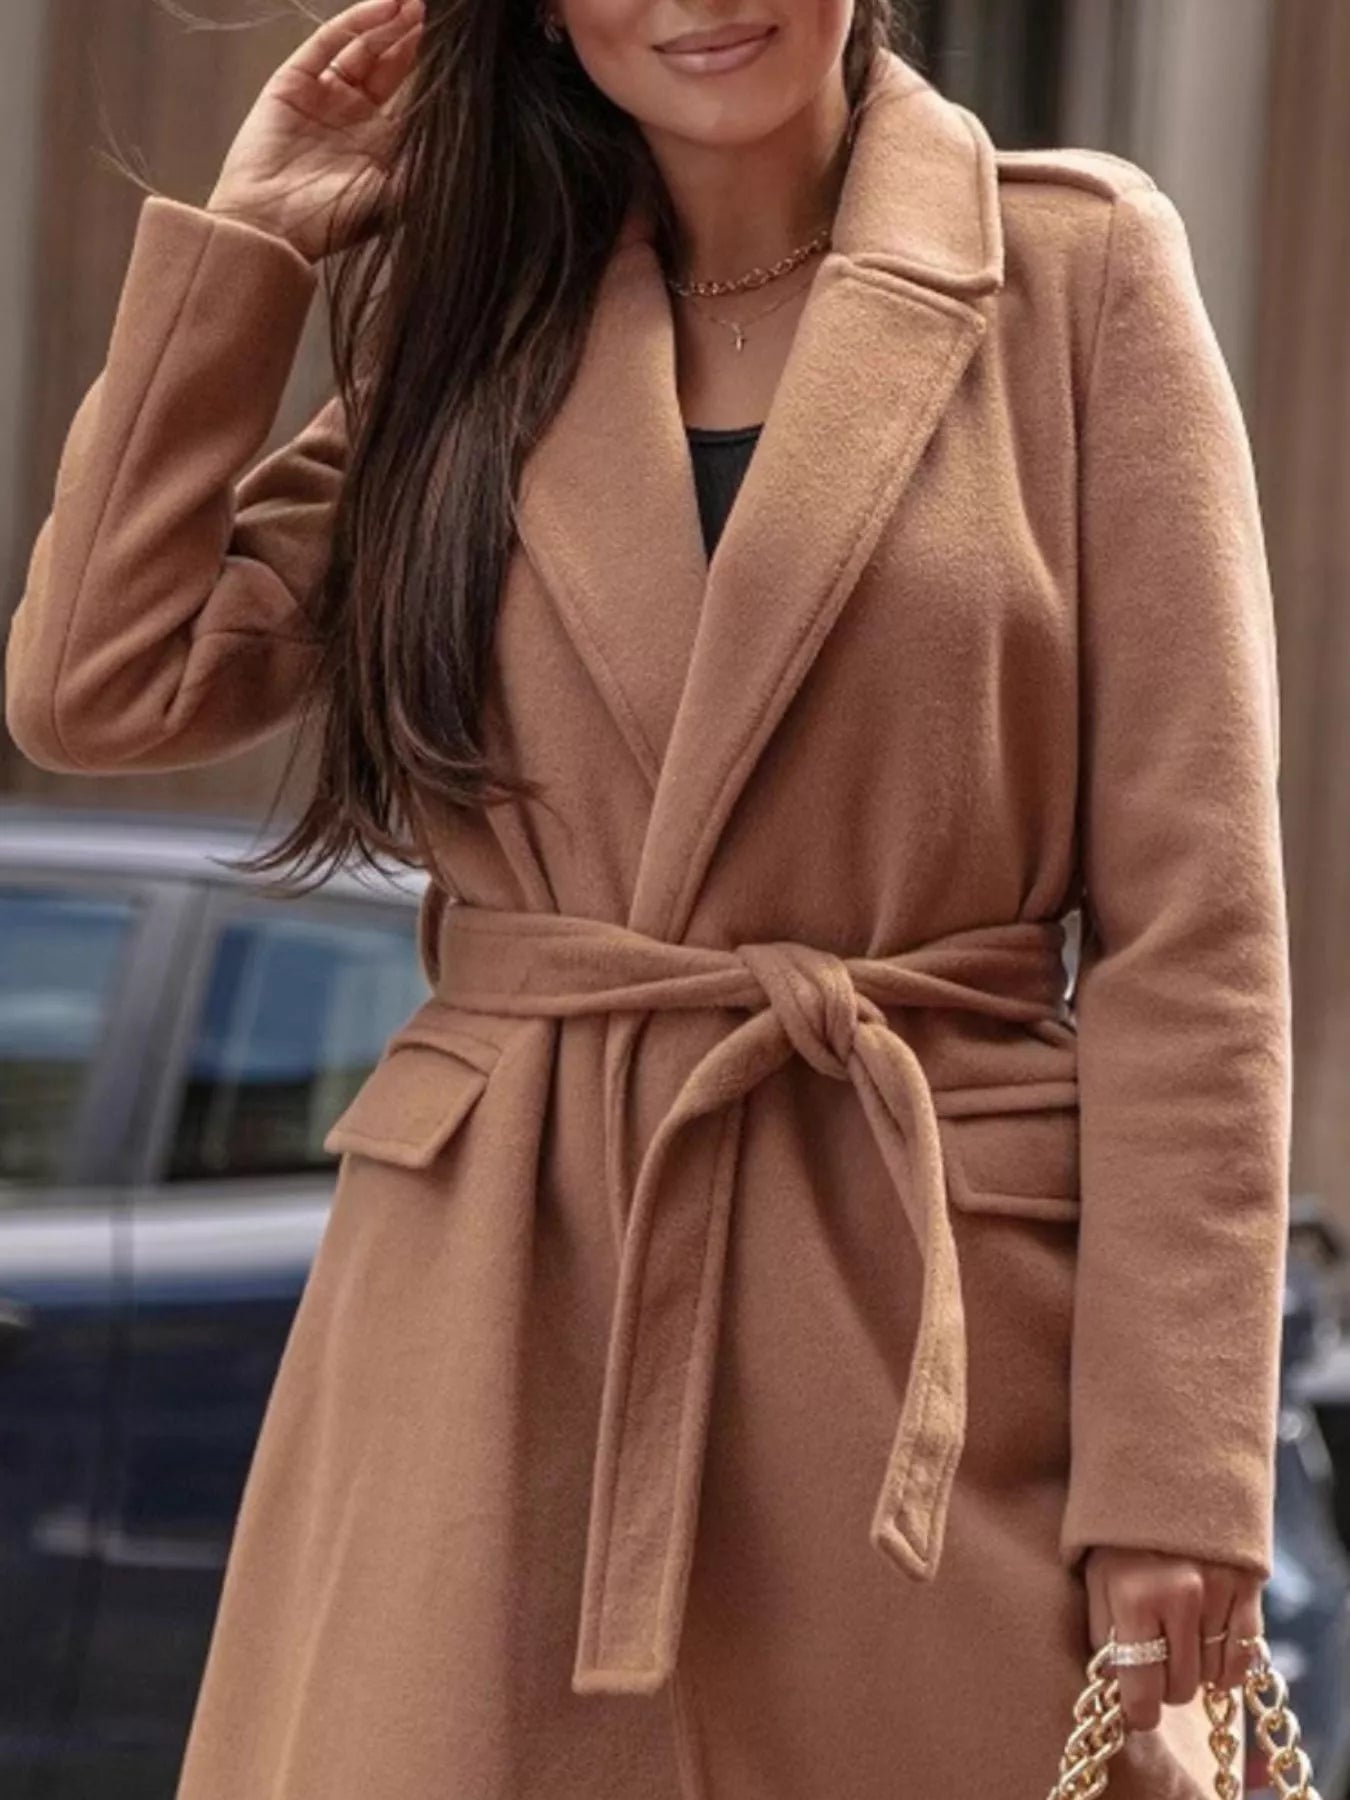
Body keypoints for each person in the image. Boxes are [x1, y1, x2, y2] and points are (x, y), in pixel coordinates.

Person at [4, 1, 1292, 1795]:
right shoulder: (480, 331)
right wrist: (260, 253)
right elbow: (98, 682)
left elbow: (1193, 931)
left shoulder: (1073, 272)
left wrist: (1173, 1479)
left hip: (919, 1314)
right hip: (493, 1313)